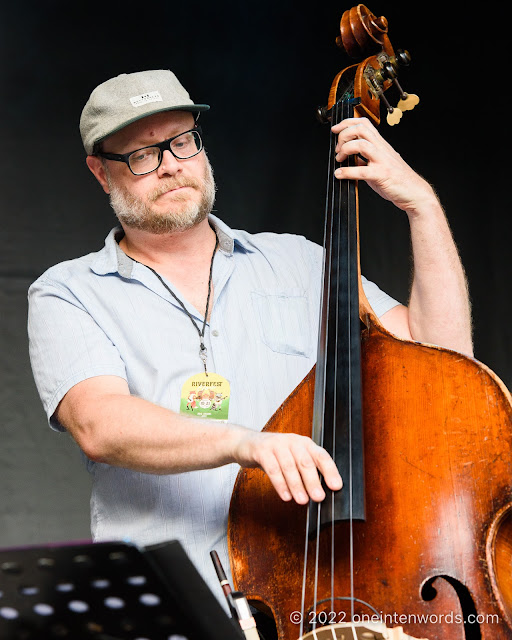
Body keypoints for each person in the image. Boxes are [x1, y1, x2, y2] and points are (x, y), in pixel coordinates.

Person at [27, 69, 472, 606]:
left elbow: (442, 357)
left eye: (183, 142)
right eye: (142, 155)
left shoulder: (301, 262)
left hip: (323, 596)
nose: (171, 166)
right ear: (101, 173)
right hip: (180, 608)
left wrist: (420, 205)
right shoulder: (68, 292)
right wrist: (247, 444)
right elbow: (100, 423)